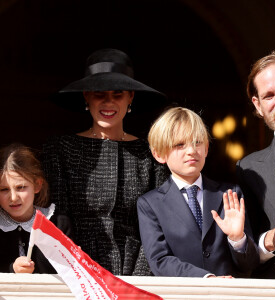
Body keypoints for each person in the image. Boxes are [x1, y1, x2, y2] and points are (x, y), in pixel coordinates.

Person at [42, 48, 169, 276]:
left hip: (138, 271)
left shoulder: (150, 154)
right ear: (86, 96)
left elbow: (158, 224)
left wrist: (138, 278)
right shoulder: (60, 149)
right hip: (75, 269)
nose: (108, 102)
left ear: (131, 97)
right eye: (100, 93)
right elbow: (57, 219)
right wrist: (77, 272)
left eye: (117, 94)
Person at [137, 107, 259, 278]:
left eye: (197, 142)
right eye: (180, 144)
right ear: (159, 154)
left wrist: (238, 238)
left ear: (207, 148)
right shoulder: (150, 204)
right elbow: (159, 260)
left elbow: (250, 264)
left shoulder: (230, 194)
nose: (191, 151)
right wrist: (205, 279)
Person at [236, 50, 275, 279]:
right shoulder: (248, 168)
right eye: (269, 96)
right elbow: (243, 254)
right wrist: (271, 239)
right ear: (258, 105)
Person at [0, 143, 72, 273]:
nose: (13, 197)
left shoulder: (58, 224)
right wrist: (12, 269)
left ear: (37, 185)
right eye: (4, 189)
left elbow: (67, 272)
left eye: (21, 187)